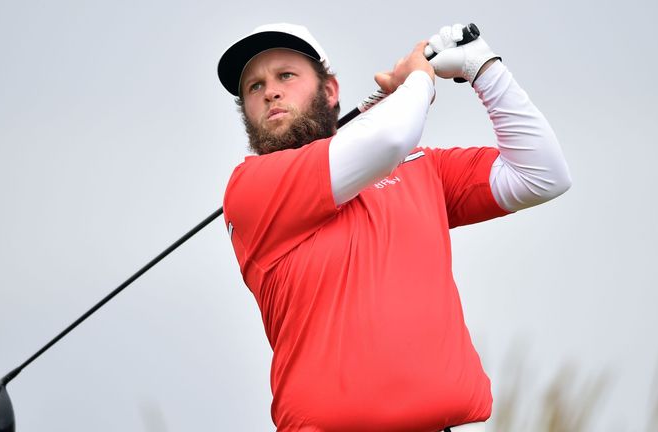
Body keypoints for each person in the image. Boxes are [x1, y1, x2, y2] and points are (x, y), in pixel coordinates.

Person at [217, 23, 571, 432]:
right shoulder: (251, 189)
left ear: (330, 91)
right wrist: (418, 79)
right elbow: (386, 141)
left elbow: (543, 175)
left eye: (286, 75)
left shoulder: (420, 167)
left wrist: (484, 68)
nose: (270, 91)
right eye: (254, 87)